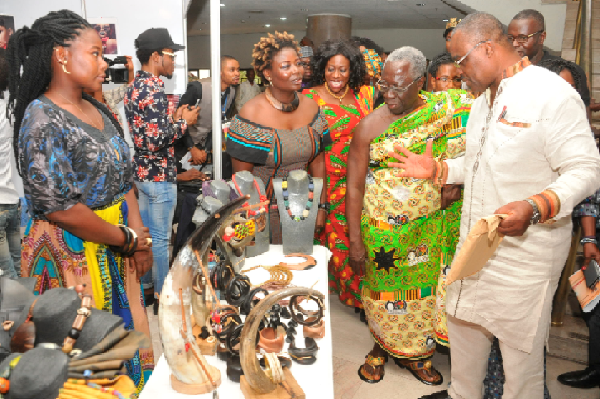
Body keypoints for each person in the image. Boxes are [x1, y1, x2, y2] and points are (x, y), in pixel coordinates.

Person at [386, 13, 600, 399]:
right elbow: (481, 163)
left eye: (461, 61)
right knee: (465, 359)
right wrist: (439, 168)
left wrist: (537, 206)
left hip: (524, 260)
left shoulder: (549, 93)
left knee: (521, 375)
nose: (456, 71)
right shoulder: (484, 99)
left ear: (487, 48)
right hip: (475, 251)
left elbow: (586, 169)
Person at [7, 10, 155, 393]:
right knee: (86, 350)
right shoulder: (41, 118)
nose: (104, 63)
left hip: (117, 241)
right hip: (70, 252)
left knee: (126, 329)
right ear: (61, 55)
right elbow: (58, 206)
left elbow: (124, 178)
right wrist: (124, 238)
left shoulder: (99, 109)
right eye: (95, 52)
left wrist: (140, 235)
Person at [346, 46, 472, 385]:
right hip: (383, 233)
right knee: (382, 292)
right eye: (384, 85)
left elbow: (478, 138)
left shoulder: (446, 110)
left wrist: (454, 180)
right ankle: (380, 347)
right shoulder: (369, 127)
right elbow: (354, 187)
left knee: (423, 295)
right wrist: (354, 241)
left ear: (423, 83)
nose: (389, 94)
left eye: (399, 86)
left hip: (430, 231)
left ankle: (419, 355)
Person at [226, 31, 330, 243]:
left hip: (302, 209)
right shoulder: (251, 114)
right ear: (267, 73)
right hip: (261, 214)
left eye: (298, 64)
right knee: (265, 273)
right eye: (286, 66)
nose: (296, 71)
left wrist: (321, 207)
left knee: (300, 268)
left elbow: (318, 162)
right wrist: (247, 229)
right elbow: (242, 182)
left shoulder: (311, 107)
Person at [535, 57, 600, 391]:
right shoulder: (521, 120)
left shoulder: (578, 130)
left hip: (555, 230)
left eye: (569, 87)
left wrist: (589, 241)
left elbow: (587, 191)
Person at [124, 28, 198, 306]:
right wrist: (184, 123)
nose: (174, 61)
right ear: (156, 56)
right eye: (171, 55)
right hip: (157, 177)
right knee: (159, 239)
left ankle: (145, 290)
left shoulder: (135, 86)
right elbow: (154, 141)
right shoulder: (153, 89)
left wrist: (173, 122)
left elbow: (144, 134)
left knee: (145, 237)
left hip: (142, 175)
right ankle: (162, 296)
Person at [302, 39, 374, 313]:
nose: (336, 76)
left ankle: (361, 293)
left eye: (343, 70)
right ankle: (356, 298)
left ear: (351, 71)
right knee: (341, 239)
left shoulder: (364, 95)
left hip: (363, 178)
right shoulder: (310, 98)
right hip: (329, 181)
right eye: (331, 69)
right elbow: (307, 144)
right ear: (323, 69)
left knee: (362, 236)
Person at [508, 9, 590, 110]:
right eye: (511, 38)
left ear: (541, 38)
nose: (514, 44)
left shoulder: (564, 72)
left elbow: (582, 118)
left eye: (523, 38)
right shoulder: (506, 71)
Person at [178, 55, 239, 179]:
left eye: (238, 69)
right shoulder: (197, 88)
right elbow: (179, 119)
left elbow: (218, 123)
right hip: (183, 146)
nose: (237, 73)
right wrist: (191, 147)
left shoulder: (232, 92)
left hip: (203, 147)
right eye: (232, 70)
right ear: (220, 72)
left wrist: (206, 149)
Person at [0, 48, 20, 279]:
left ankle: (19, 316)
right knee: (17, 268)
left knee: (7, 276)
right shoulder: (9, 110)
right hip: (12, 202)